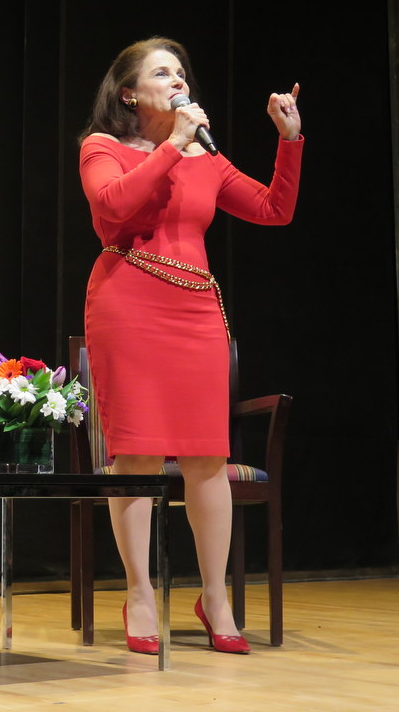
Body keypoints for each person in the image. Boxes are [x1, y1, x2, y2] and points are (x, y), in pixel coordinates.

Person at [78, 38, 302, 655]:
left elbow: (274, 209)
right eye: (161, 72)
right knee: (138, 454)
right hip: (127, 305)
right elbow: (111, 210)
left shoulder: (208, 158)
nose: (176, 79)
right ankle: (140, 592)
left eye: (180, 71)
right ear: (129, 92)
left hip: (196, 309)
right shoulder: (103, 149)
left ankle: (215, 596)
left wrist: (288, 140)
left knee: (207, 454)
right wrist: (173, 146)